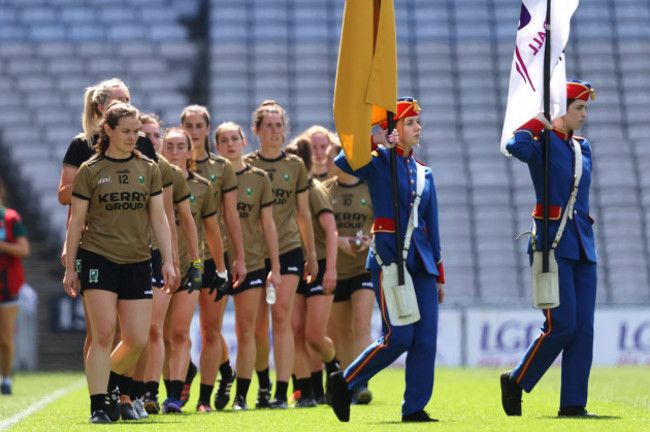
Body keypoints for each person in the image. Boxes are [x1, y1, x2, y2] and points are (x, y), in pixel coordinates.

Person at [329, 97, 445, 423]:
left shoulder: (426, 173)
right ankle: (347, 380)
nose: (418, 128)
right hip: (389, 258)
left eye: (417, 122)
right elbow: (343, 161)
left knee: (425, 340)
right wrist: (376, 140)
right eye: (410, 123)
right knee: (400, 337)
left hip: (422, 263)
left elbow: (432, 228)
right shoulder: (378, 161)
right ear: (393, 128)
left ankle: (415, 408)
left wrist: (439, 275)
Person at [62, 103, 175, 424]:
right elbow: (75, 222)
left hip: (138, 260)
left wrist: (168, 261)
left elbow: (159, 218)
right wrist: (71, 266)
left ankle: (108, 383)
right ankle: (99, 405)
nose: (133, 137)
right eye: (126, 131)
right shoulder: (90, 169)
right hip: (98, 257)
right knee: (104, 333)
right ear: (107, 131)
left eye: (136, 131)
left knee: (138, 338)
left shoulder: (148, 168)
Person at [500, 80, 598, 418]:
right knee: (562, 326)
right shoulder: (540, 143)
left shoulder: (582, 146)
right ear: (560, 109)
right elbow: (514, 145)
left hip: (583, 245)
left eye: (585, 108)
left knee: (583, 329)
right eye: (578, 108)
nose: (584, 114)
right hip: (552, 244)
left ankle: (573, 404)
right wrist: (535, 122)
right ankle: (516, 380)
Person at [246, 100, 319, 409]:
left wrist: (311, 254)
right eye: (269, 125)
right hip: (253, 253)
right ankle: (262, 386)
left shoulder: (295, 166)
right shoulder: (246, 164)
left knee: (281, 318)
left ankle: (282, 390)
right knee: (257, 327)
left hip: (288, 249)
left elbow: (303, 213)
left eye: (279, 125)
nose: (275, 131)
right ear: (257, 130)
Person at [180, 105, 246, 411]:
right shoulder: (170, 166)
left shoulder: (222, 168)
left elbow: (231, 215)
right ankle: (215, 370)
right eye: (188, 126)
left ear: (208, 129)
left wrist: (239, 258)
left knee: (209, 330)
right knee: (175, 332)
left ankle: (204, 400)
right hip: (179, 256)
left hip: (213, 258)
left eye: (198, 126)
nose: (194, 131)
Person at [214, 121, 282, 410]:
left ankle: (244, 394)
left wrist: (275, 267)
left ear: (244, 142)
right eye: (224, 140)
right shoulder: (210, 177)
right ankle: (224, 373)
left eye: (234, 138)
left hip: (252, 261)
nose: (230, 144)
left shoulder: (259, 178)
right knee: (210, 331)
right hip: (214, 262)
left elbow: (268, 225)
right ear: (216, 147)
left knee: (248, 330)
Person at [159, 127, 227, 414]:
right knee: (158, 334)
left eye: (179, 146)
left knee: (178, 332)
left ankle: (174, 395)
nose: (174, 151)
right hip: (157, 266)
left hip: (189, 267)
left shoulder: (202, 185)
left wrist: (220, 270)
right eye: (169, 146)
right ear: (162, 150)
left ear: (190, 151)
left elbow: (211, 231)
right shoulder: (150, 181)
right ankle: (168, 384)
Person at [285, 137, 339, 408]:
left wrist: (330, 268)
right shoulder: (284, 192)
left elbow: (331, 230)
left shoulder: (314, 190)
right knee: (296, 332)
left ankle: (334, 366)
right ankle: (306, 391)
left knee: (314, 335)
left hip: (318, 270)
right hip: (296, 268)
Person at [323, 143, 375, 405]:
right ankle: (347, 382)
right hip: (337, 269)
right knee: (342, 330)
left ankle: (362, 380)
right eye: (335, 156)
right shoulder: (325, 190)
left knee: (361, 325)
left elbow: (381, 223)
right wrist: (339, 241)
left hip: (363, 267)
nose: (339, 160)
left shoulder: (369, 187)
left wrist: (370, 239)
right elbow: (317, 226)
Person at [0, 178, 30, 395]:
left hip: (6, 284)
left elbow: (24, 249)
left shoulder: (10, 218)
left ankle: (6, 379)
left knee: (5, 338)